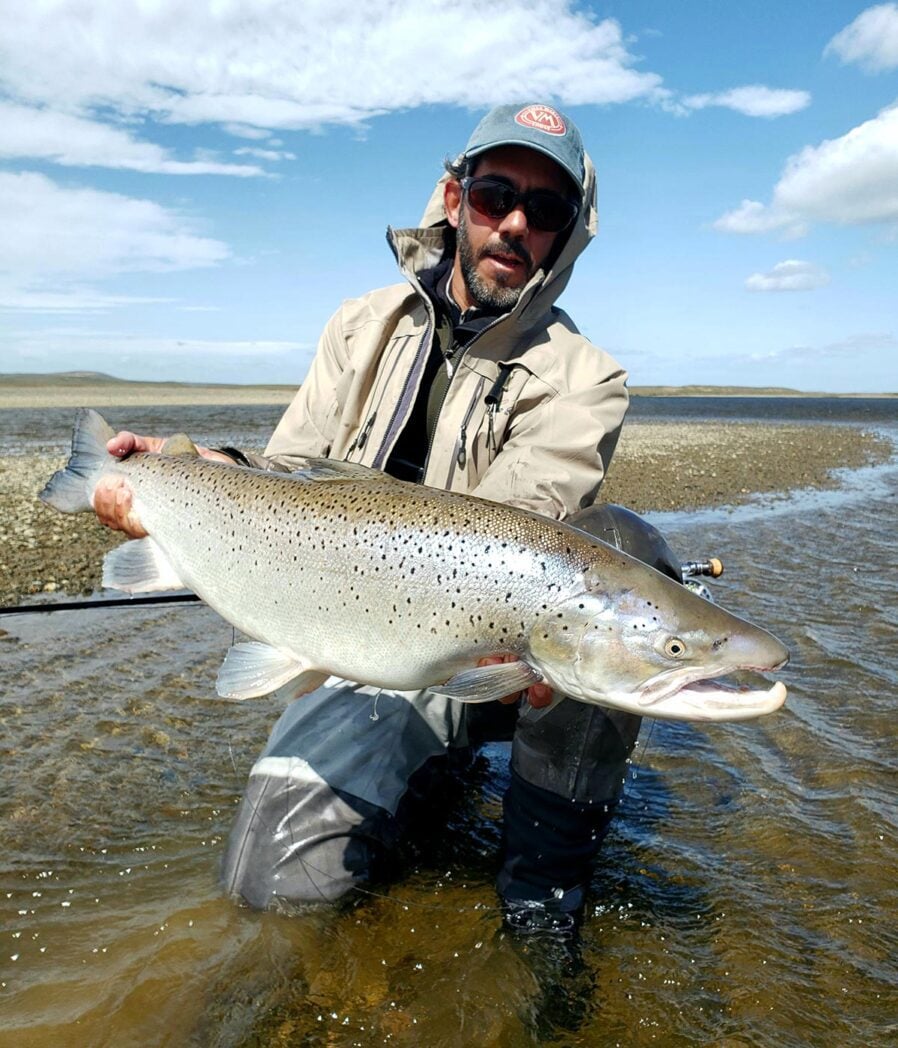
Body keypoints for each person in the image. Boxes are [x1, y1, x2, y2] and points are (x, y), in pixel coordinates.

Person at [95, 104, 673, 935]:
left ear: (567, 235)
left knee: (623, 550)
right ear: (452, 194)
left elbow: (512, 536)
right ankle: (429, 776)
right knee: (268, 886)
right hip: (343, 633)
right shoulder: (358, 324)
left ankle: (545, 900)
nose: (514, 223)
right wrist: (188, 470)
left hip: (493, 643)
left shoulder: (585, 377)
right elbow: (284, 476)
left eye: (543, 211)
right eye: (495, 195)